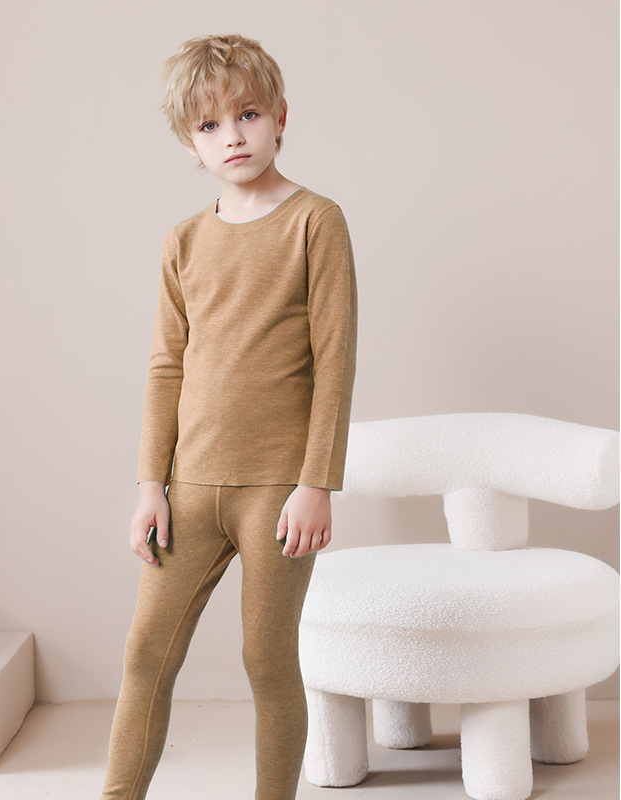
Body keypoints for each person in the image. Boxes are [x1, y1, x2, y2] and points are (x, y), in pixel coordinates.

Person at [101, 32, 358, 800]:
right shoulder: (183, 242)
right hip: (188, 487)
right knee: (146, 654)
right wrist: (151, 485)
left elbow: (335, 362)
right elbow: (166, 368)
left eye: (247, 114)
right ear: (190, 143)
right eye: (210, 125)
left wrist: (316, 483)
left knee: (266, 661)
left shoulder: (316, 221)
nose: (233, 136)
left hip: (277, 492)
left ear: (280, 117)